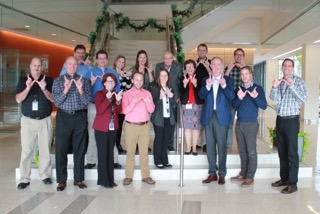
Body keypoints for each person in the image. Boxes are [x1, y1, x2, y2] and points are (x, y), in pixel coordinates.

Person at [52, 56, 91, 191]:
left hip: (80, 117)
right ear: (65, 65)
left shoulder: (84, 81)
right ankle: (62, 180)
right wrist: (65, 90)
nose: (72, 67)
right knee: (61, 149)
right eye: (70, 64)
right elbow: (56, 101)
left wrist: (80, 89)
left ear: (77, 66)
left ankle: (78, 179)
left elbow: (86, 101)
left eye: (75, 64)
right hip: (63, 117)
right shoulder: (58, 81)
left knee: (79, 149)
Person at [270, 58, 308, 194]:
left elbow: (303, 98)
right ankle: (284, 179)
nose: (287, 68)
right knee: (282, 152)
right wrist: (274, 87)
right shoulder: (279, 82)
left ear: (293, 68)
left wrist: (292, 86)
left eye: (289, 66)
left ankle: (293, 183)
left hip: (292, 120)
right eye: (285, 66)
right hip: (280, 120)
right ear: (282, 68)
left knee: (292, 153)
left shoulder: (299, 82)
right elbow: (273, 97)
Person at [15, 57, 53, 190]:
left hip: (45, 120)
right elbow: (18, 99)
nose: (37, 68)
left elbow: (53, 99)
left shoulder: (47, 80)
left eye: (39, 66)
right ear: (30, 67)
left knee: (45, 149)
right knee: (26, 150)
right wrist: (28, 87)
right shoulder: (23, 80)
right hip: (28, 121)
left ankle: (45, 175)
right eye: (34, 65)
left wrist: (44, 89)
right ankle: (24, 178)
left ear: (41, 67)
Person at [199, 57, 235, 185]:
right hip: (209, 116)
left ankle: (222, 174)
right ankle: (212, 173)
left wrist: (224, 85)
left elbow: (232, 96)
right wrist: (207, 86)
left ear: (222, 66)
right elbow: (201, 96)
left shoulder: (229, 80)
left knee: (222, 146)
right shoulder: (205, 80)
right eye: (213, 64)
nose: (216, 66)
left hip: (222, 117)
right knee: (209, 147)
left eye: (218, 64)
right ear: (211, 66)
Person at [230, 66, 267, 187]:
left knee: (251, 151)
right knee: (242, 150)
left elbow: (264, 105)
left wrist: (255, 97)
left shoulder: (258, 88)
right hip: (239, 123)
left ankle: (250, 176)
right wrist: (240, 98)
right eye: (242, 74)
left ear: (251, 75)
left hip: (251, 124)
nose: (244, 76)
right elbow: (235, 105)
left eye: (246, 74)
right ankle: (243, 173)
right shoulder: (239, 88)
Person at [84, 50, 120, 170]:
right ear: (96, 60)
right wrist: (91, 83)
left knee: (111, 133)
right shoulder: (91, 72)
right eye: (100, 58)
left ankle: (114, 159)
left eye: (104, 58)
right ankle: (91, 159)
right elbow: (83, 90)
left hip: (110, 105)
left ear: (107, 59)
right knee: (92, 133)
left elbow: (118, 88)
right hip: (94, 106)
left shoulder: (112, 72)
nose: (102, 60)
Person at [122, 72, 156, 185]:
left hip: (144, 126)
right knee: (130, 152)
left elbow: (151, 110)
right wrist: (132, 103)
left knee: (144, 153)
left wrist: (147, 103)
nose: (139, 82)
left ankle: (145, 175)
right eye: (136, 80)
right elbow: (124, 111)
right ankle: (128, 176)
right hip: (131, 125)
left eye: (141, 80)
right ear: (132, 80)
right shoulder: (127, 94)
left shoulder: (147, 93)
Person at [92, 73, 123, 188]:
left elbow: (119, 111)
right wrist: (107, 98)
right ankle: (103, 180)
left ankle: (110, 179)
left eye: (113, 82)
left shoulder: (115, 95)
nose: (111, 83)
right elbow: (99, 110)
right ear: (104, 83)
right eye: (109, 81)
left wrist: (118, 101)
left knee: (110, 153)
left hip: (112, 127)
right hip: (101, 128)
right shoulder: (99, 94)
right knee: (103, 154)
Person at [155, 51, 183, 151]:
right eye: (166, 58)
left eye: (170, 58)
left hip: (173, 97)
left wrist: (178, 96)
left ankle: (170, 144)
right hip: (161, 97)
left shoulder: (178, 66)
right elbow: (156, 81)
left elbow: (180, 81)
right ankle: (162, 143)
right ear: (163, 59)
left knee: (172, 122)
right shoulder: (158, 66)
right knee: (161, 121)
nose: (168, 60)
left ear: (173, 59)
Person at [150, 68, 175, 168]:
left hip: (168, 117)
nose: (164, 78)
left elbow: (173, 104)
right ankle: (157, 160)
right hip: (158, 118)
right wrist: (160, 98)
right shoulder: (155, 88)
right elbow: (152, 105)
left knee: (166, 139)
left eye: (166, 75)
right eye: (162, 76)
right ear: (158, 77)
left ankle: (165, 160)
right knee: (159, 139)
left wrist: (172, 97)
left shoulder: (170, 87)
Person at [224, 48, 246, 153]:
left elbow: (251, 81)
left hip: (243, 100)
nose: (239, 56)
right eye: (237, 55)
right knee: (230, 123)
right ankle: (228, 145)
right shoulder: (229, 67)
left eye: (241, 55)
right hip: (231, 99)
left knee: (243, 124)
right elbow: (223, 80)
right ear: (234, 56)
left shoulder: (247, 69)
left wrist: (244, 69)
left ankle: (243, 145)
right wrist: (228, 69)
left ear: (243, 57)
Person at [180, 59, 203, 156]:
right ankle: (188, 147)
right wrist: (184, 84)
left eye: (191, 66)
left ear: (194, 68)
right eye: (187, 66)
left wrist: (196, 84)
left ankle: (194, 147)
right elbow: (180, 91)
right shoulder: (182, 78)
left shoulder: (199, 78)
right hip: (186, 105)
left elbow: (202, 93)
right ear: (185, 68)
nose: (189, 68)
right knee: (187, 127)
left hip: (197, 105)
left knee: (196, 127)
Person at [114, 55, 132, 154]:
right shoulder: (112, 73)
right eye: (119, 61)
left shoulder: (125, 74)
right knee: (114, 125)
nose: (121, 63)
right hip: (113, 102)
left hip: (122, 103)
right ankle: (113, 145)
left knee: (120, 125)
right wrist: (119, 77)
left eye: (123, 62)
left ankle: (118, 144)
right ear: (116, 61)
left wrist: (127, 77)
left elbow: (128, 88)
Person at [194, 43, 211, 152]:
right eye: (200, 50)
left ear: (206, 51)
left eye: (204, 50)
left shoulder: (210, 63)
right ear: (197, 51)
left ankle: (206, 143)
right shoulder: (194, 63)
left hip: (207, 95)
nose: (202, 52)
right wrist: (195, 67)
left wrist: (207, 67)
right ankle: (198, 142)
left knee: (206, 120)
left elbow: (213, 75)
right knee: (197, 119)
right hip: (196, 95)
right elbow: (189, 76)